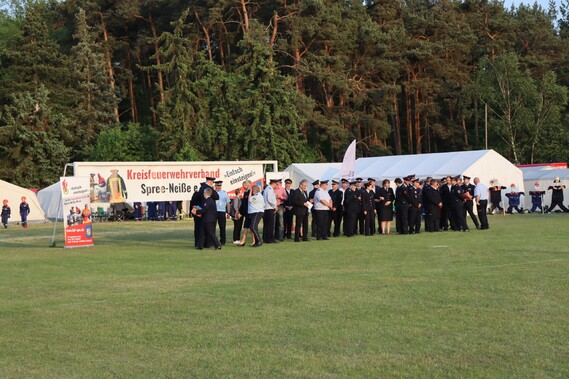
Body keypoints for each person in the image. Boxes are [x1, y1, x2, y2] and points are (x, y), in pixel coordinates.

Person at [237, 180, 253, 246]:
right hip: (247, 213)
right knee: (246, 226)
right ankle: (243, 240)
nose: (243, 186)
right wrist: (240, 211)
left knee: (252, 227)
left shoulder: (251, 192)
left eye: (243, 185)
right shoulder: (246, 192)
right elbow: (244, 203)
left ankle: (254, 240)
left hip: (251, 212)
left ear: (248, 185)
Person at [214, 181, 231, 245]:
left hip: (222, 211)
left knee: (222, 227)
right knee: (213, 227)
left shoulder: (224, 193)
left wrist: (228, 212)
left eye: (219, 186)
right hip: (214, 212)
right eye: (217, 186)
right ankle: (213, 240)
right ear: (215, 186)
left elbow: (228, 203)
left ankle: (223, 241)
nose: (218, 187)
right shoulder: (213, 193)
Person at [262, 179, 278, 244]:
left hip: (266, 209)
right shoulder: (270, 189)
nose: (277, 186)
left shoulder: (267, 189)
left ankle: (266, 238)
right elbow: (270, 200)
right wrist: (275, 206)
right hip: (269, 208)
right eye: (276, 184)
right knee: (270, 225)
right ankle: (269, 239)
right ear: (274, 184)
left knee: (266, 224)